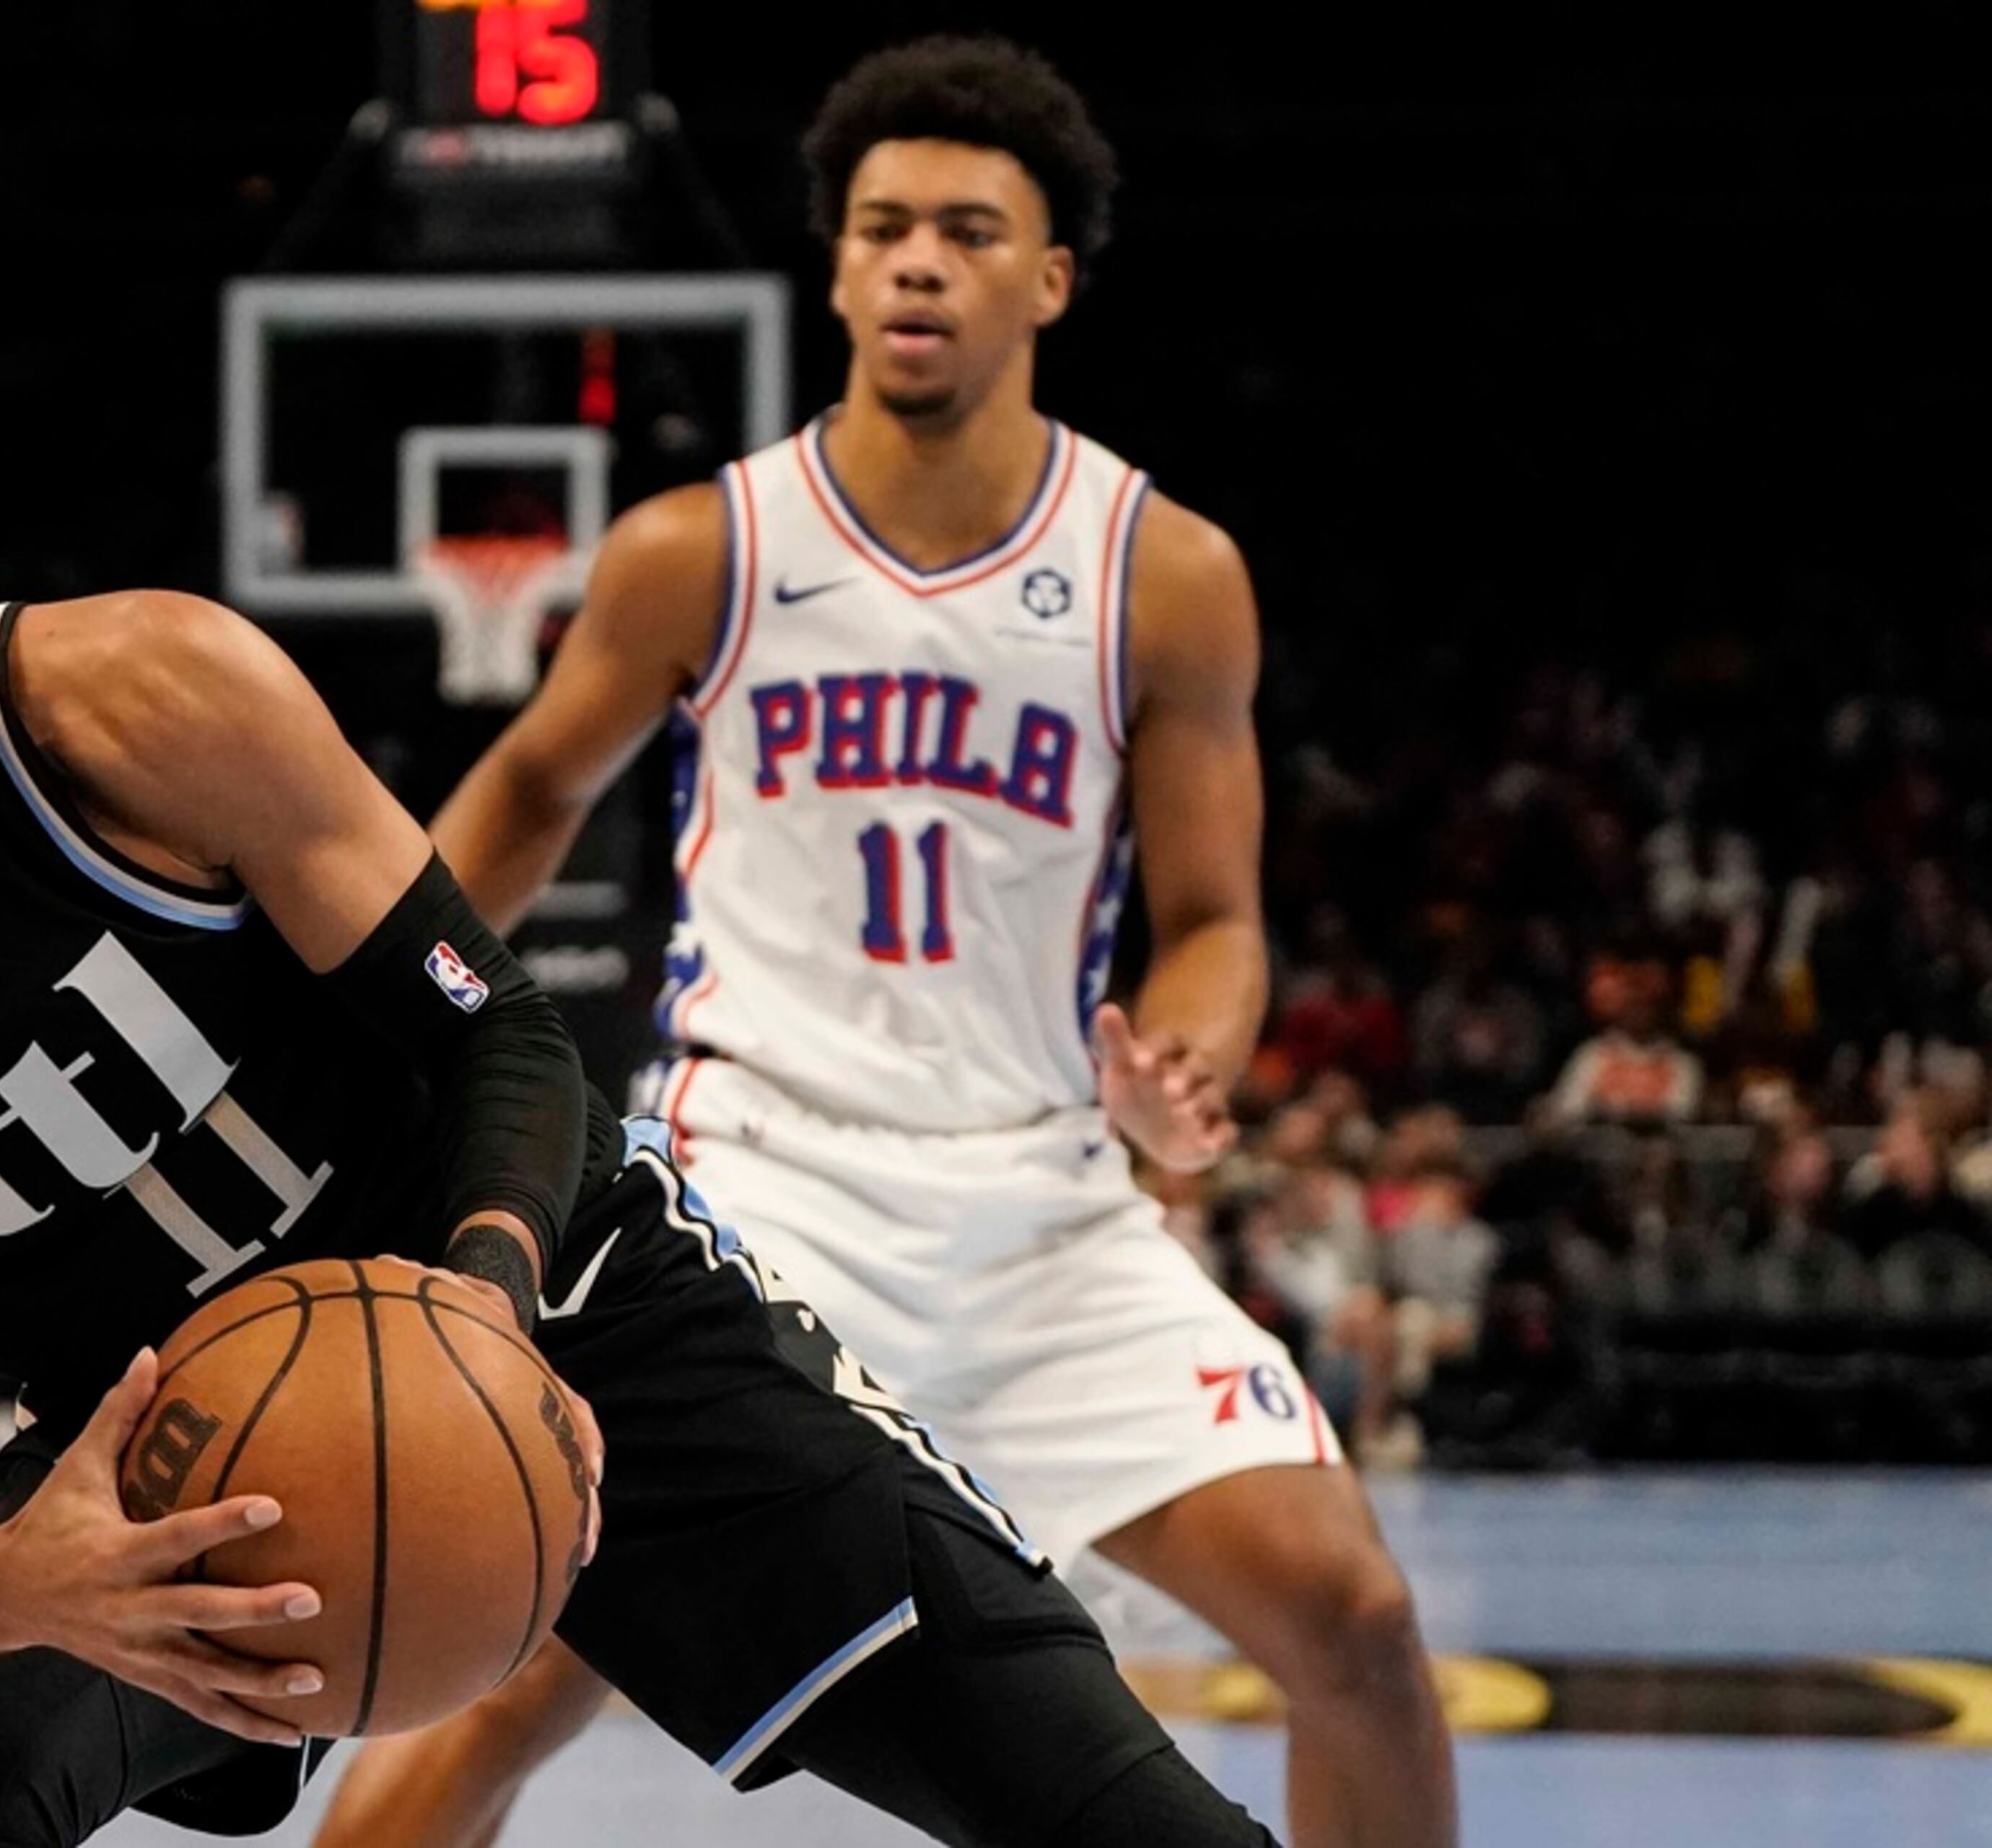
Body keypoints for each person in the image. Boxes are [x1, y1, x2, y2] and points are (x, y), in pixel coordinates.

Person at [0, 305, 1273, 1847]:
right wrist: (25, 1583)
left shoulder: (141, 696)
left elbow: (507, 1035)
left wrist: (476, 1317)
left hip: (565, 1292)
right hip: (183, 1449)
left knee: (1128, 1822)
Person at [313, 36, 1453, 1848]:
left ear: (1050, 277)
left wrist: (1190, 1065)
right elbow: (528, 790)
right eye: (886, 226)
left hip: (1044, 1211)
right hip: (758, 1193)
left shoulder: (1168, 573)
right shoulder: (709, 547)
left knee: (1361, 1625)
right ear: (839, 268)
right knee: (515, 1651)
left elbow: (1219, 923)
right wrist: (383, 1008)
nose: (920, 259)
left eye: (971, 230)